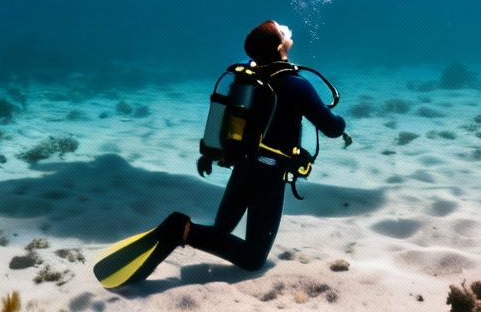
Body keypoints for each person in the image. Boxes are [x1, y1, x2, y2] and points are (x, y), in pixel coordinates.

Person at [93, 20, 348, 287]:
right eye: (283, 31)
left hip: (243, 166)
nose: (288, 31)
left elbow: (225, 118)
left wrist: (210, 153)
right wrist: (341, 124)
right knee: (253, 259)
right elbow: (330, 128)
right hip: (269, 175)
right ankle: (180, 230)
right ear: (279, 46)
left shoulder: (245, 77)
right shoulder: (297, 85)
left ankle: (183, 231)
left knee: (221, 230)